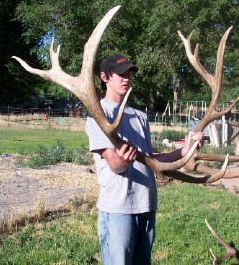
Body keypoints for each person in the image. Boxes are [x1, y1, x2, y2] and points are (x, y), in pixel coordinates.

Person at [85, 53, 204, 265]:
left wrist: (185, 149)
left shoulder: (140, 116)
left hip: (146, 204)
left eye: (128, 73)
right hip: (118, 208)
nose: (126, 78)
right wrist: (124, 161)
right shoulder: (98, 115)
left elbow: (150, 160)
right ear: (104, 77)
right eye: (120, 74)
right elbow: (114, 163)